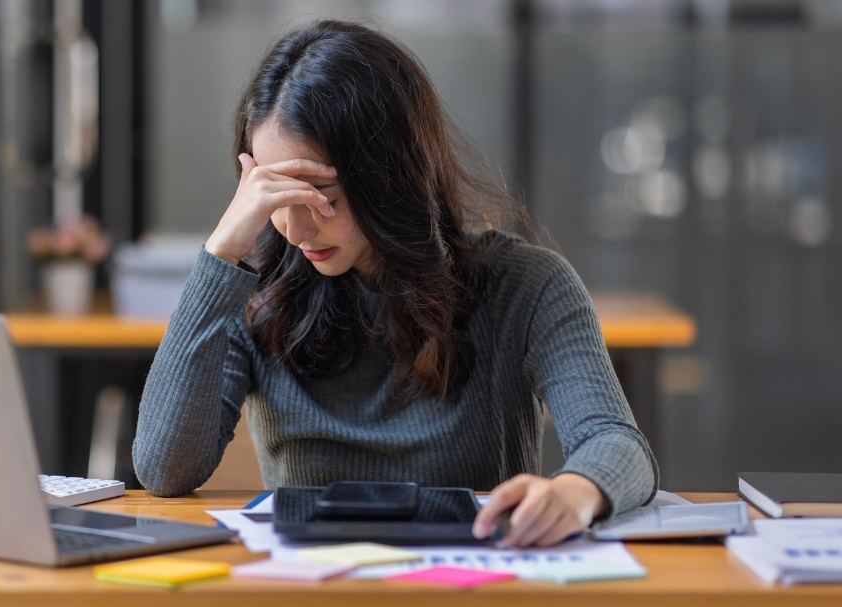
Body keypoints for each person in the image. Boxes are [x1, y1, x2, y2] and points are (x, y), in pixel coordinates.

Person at [132, 20, 658, 547]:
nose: (294, 229)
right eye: (271, 196)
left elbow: (616, 442)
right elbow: (164, 469)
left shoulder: (527, 285)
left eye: (320, 196)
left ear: (389, 176)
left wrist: (574, 491)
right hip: (314, 592)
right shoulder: (250, 290)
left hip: (468, 588)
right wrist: (222, 250)